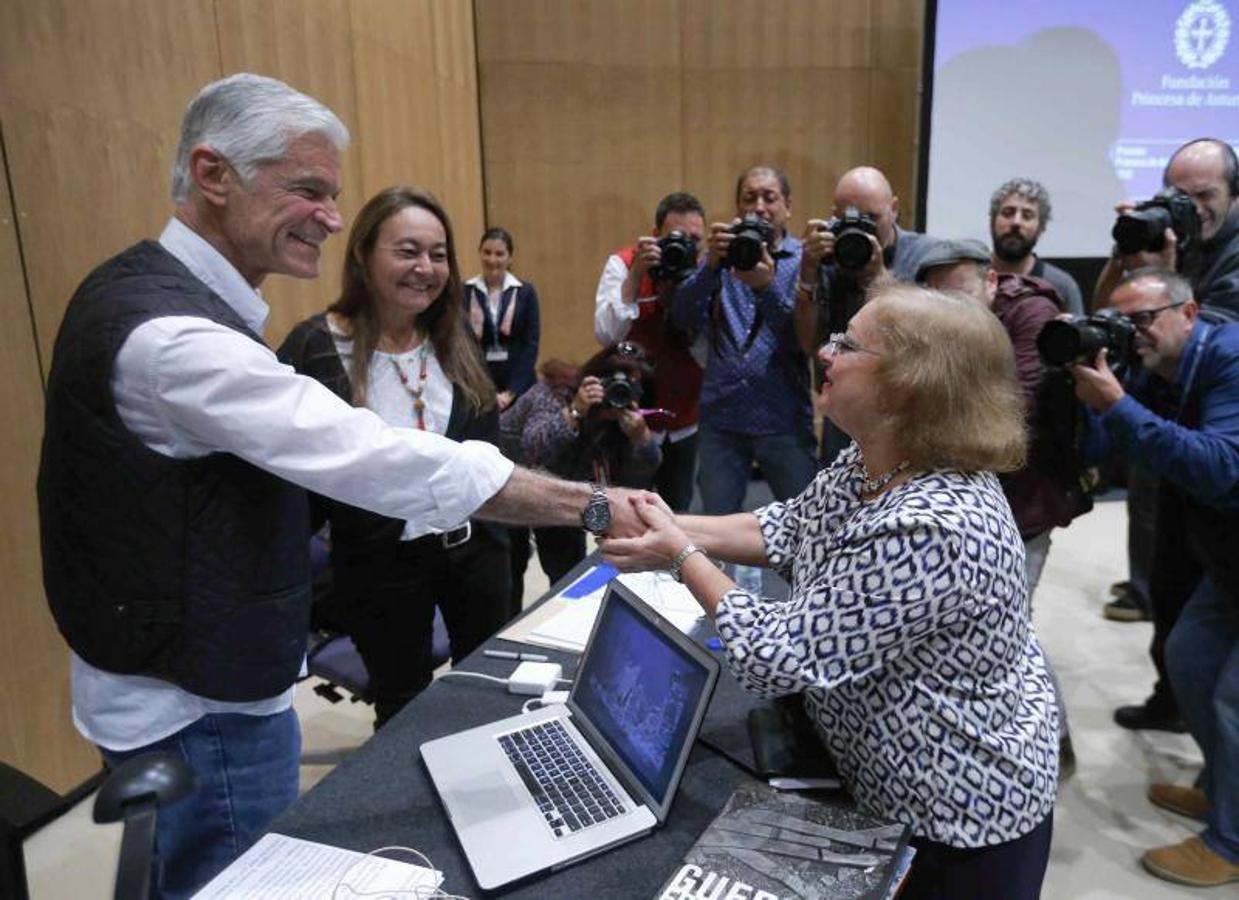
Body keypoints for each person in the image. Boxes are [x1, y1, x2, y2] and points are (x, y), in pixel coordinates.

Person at [36, 73, 644, 899]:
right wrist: (591, 504)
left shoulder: (138, 291)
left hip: (177, 677)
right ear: (214, 175)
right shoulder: (180, 340)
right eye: (308, 190)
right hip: (195, 710)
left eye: (335, 195)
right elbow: (381, 461)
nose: (327, 213)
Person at [604, 284, 1058, 899]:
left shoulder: (932, 524)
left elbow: (777, 658)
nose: (824, 351)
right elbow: (783, 528)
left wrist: (679, 554)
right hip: (881, 784)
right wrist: (665, 517)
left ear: (906, 385)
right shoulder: (881, 459)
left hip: (959, 820)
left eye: (847, 344)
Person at [278, 186, 509, 729]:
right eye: (407, 251)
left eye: (438, 253)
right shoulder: (315, 347)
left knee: (488, 687)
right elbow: (292, 483)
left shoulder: (455, 336)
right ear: (362, 254)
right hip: (380, 565)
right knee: (403, 707)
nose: (426, 268)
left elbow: (487, 454)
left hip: (475, 552)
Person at [1071, 268, 1239, 887]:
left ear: (1189, 313)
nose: (1132, 332)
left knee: (1233, 696)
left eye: (1144, 318)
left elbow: (1222, 469)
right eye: (1122, 321)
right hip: (1229, 559)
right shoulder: (1154, 368)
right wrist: (1087, 393)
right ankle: (1225, 789)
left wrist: (1117, 403)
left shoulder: (1230, 360)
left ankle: (1232, 843)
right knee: (1190, 659)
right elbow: (1100, 453)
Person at [918, 238, 1087, 776]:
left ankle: (1054, 745)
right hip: (978, 506)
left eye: (960, 295)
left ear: (991, 282)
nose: (949, 314)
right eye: (937, 299)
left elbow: (1012, 414)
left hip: (1026, 506)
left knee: (1015, 629)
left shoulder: (1034, 313)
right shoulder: (967, 325)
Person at [1094, 139, 1239, 631]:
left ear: (1234, 195)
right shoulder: (1169, 237)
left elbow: (1209, 336)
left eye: (1204, 195)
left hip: (1220, 428)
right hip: (1166, 416)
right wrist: (1126, 255)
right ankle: (1166, 693)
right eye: (1179, 196)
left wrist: (1164, 276)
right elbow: (1109, 312)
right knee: (1164, 560)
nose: (1192, 210)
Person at [670, 165, 816, 514]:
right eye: (749, 198)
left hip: (784, 417)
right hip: (723, 419)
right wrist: (710, 268)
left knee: (806, 525)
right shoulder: (720, 257)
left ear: (788, 206)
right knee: (717, 530)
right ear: (738, 207)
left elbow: (803, 337)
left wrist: (765, 287)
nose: (760, 207)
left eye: (770, 197)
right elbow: (683, 319)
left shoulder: (803, 261)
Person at [501, 344, 661, 611]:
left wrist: (641, 440)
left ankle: (563, 623)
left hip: (562, 487)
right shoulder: (555, 392)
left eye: (631, 389)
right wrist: (575, 411)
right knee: (508, 572)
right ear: (597, 378)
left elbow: (634, 485)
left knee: (567, 570)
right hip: (509, 478)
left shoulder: (627, 418)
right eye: (613, 385)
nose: (618, 396)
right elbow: (535, 448)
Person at [794, 165, 936, 462]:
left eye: (871, 218)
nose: (860, 228)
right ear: (834, 214)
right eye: (848, 218)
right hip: (844, 405)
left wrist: (878, 277)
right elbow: (809, 342)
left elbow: (922, 343)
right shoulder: (828, 256)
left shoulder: (925, 257)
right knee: (838, 499)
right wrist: (807, 273)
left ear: (894, 209)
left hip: (903, 412)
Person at [594, 191, 706, 512]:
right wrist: (636, 277)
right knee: (627, 511)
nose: (684, 247)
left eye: (694, 240)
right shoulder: (624, 263)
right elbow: (606, 334)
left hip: (684, 420)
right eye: (675, 238)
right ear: (655, 237)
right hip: (630, 416)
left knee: (677, 511)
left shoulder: (704, 273)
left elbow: (708, 354)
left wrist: (686, 298)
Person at [462, 226, 540, 411]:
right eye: (487, 253)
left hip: (520, 386)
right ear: (479, 253)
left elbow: (531, 344)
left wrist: (510, 393)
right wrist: (484, 391)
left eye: (499, 254)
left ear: (509, 257)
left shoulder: (525, 292)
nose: (492, 259)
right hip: (477, 387)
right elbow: (462, 344)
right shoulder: (465, 292)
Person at [988, 176, 1085, 316]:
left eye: (1027, 216)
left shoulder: (1062, 286)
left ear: (1041, 228)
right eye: (1008, 213)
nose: (1016, 222)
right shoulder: (973, 278)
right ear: (992, 222)